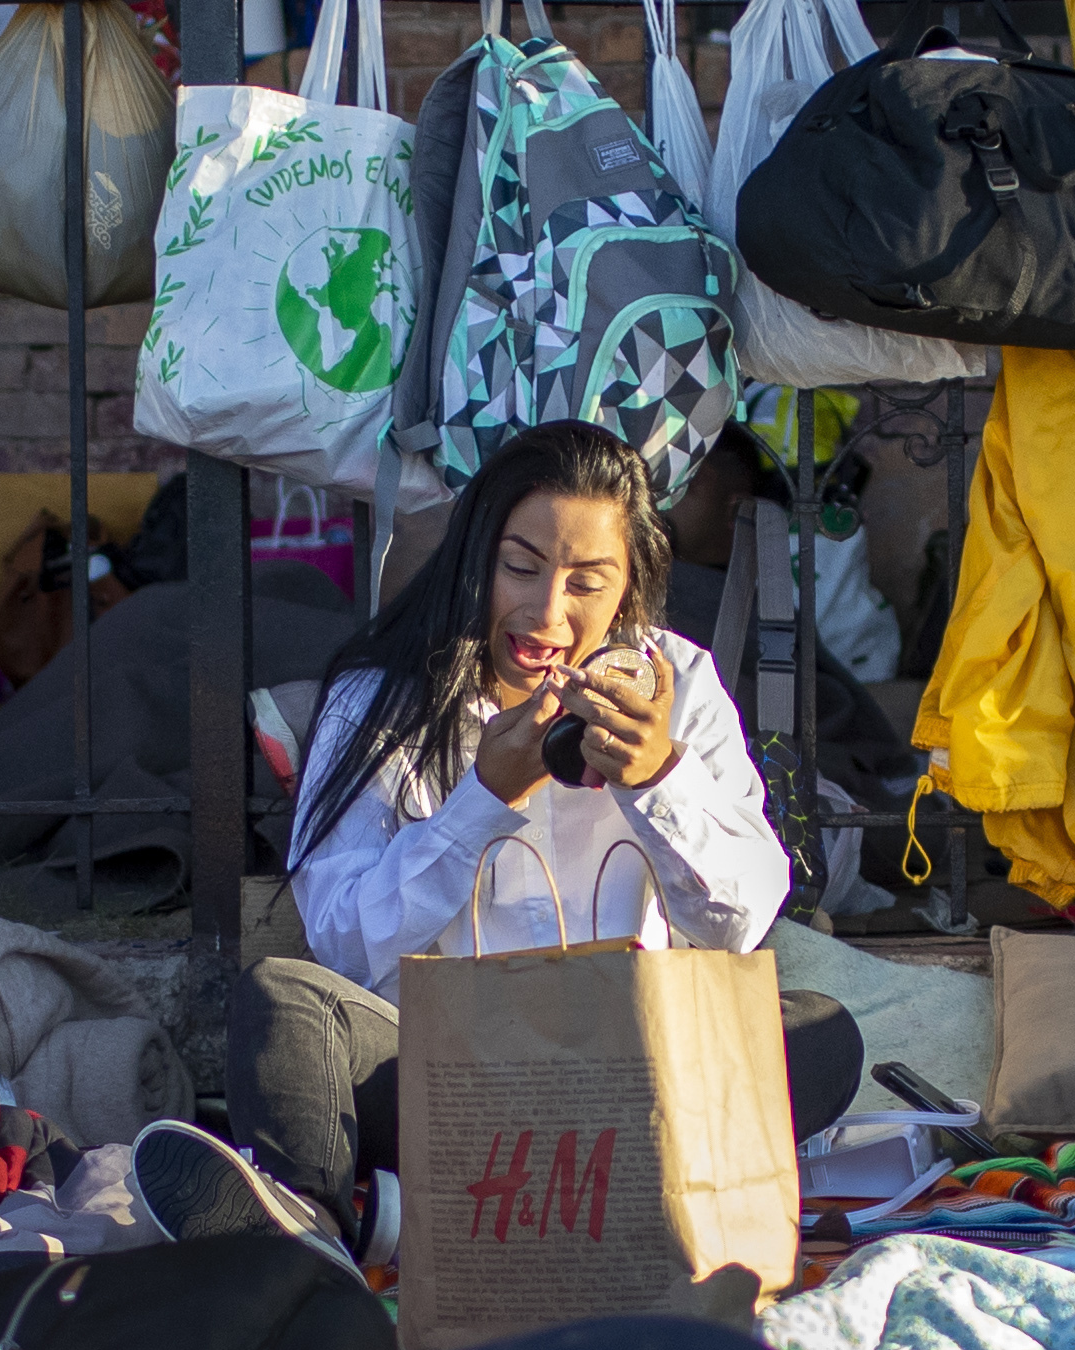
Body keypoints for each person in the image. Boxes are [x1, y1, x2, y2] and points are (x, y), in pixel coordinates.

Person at [139, 422, 857, 1256]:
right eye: (521, 568)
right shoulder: (380, 699)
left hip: (627, 1080)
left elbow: (740, 923)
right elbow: (341, 944)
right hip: (450, 1081)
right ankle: (317, 1239)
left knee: (817, 1034)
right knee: (286, 1006)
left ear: (629, 589)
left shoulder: (679, 684)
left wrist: (660, 777)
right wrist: (482, 798)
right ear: (477, 557)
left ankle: (427, 1218)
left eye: (588, 583)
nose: (547, 613)